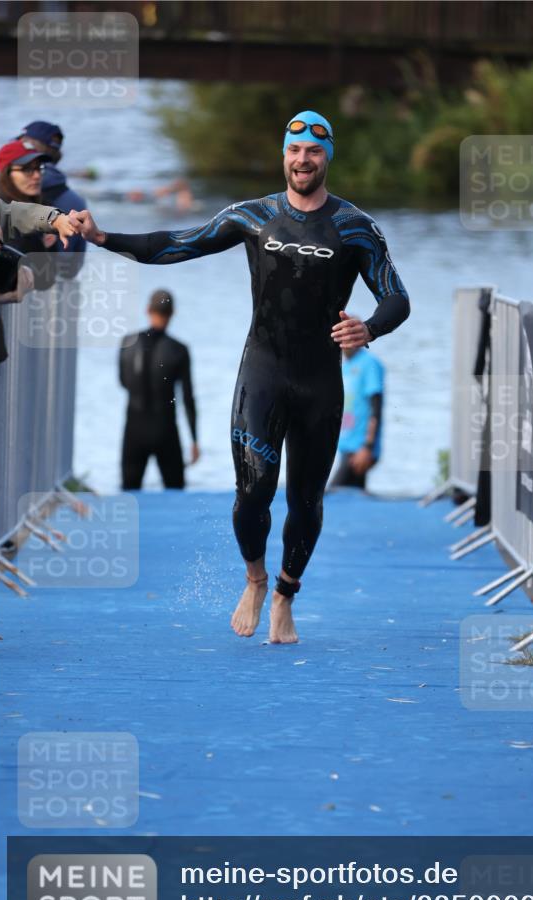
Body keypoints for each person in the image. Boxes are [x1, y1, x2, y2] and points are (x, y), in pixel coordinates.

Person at [69, 109, 410, 644]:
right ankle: (255, 578)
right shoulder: (254, 216)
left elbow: (396, 297)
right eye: (294, 150)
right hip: (264, 371)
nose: (303, 160)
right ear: (284, 156)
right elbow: (177, 243)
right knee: (253, 493)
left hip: (319, 382)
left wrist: (369, 328)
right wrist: (104, 237)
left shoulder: (355, 227)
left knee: (306, 502)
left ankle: (285, 594)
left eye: (313, 152)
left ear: (327, 157)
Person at [119, 289, 200, 490]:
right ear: (172, 313)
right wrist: (194, 440)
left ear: (148, 309)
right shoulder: (179, 349)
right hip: (165, 430)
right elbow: (188, 398)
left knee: (130, 493)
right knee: (175, 493)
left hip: (134, 429)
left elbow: (123, 382)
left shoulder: (127, 343)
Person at [17, 122, 87, 276]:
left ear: (28, 146)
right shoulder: (77, 202)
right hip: (55, 282)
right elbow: (74, 268)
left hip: (6, 282)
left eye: (19, 142)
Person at [0, 140, 60, 290]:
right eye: (27, 169)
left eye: (39, 168)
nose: (37, 176)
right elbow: (42, 281)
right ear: (6, 174)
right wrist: (41, 246)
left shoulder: (45, 207)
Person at [331, 345, 385, 490]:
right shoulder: (345, 365)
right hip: (346, 446)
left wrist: (368, 447)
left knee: (332, 495)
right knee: (355, 495)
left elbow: (376, 408)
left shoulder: (369, 363)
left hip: (360, 449)